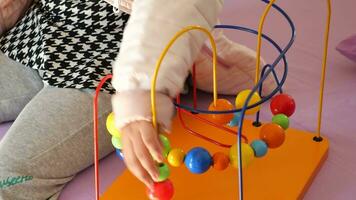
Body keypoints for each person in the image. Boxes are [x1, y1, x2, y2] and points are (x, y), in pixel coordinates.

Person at [0, 0, 272, 199]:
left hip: (114, 59)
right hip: (37, 29)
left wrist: (139, 98)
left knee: (8, 178)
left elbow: (171, 12)